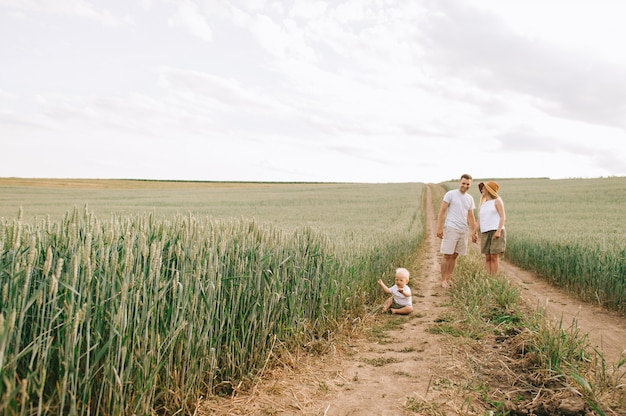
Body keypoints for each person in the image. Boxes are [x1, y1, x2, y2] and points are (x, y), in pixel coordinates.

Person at [436, 174, 477, 288]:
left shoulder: (470, 199)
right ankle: (443, 280)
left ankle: (448, 278)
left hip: (463, 230)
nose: (465, 186)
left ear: (470, 184)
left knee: (455, 255)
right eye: (463, 183)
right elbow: (442, 211)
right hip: (451, 228)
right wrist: (439, 227)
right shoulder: (451, 194)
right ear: (460, 182)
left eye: (468, 184)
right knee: (447, 254)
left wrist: (474, 232)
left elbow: (471, 216)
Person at [475, 181, 506, 274]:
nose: (482, 190)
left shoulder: (497, 201)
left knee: (494, 256)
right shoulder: (483, 204)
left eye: (484, 188)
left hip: (495, 231)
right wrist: (474, 232)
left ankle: (494, 277)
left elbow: (503, 216)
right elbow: (479, 220)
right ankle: (489, 276)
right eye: (482, 188)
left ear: (489, 190)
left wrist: (499, 231)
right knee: (487, 256)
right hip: (485, 232)